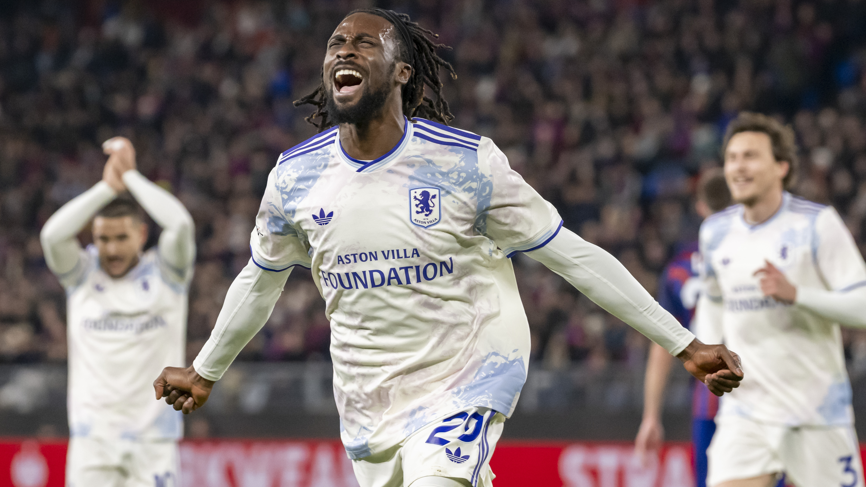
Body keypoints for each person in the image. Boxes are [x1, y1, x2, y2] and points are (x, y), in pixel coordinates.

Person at [153, 9, 743, 487]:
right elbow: (261, 280)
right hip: (367, 398)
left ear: (402, 72)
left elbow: (571, 255)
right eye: (336, 43)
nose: (345, 50)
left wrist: (683, 343)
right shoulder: (294, 179)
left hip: (468, 376)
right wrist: (205, 370)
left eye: (364, 42)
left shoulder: (466, 165)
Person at [698, 112, 866, 487]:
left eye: (750, 156)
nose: (738, 166)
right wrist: (707, 350)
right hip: (745, 413)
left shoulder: (817, 223)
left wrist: (797, 295)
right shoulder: (714, 232)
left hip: (815, 415)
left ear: (781, 167)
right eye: (732, 158)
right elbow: (712, 299)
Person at [40, 137, 195, 486]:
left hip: (154, 441)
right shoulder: (81, 276)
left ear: (141, 234)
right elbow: (51, 236)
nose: (110, 249)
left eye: (120, 238)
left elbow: (181, 225)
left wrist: (131, 177)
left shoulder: (168, 275)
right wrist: (107, 187)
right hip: (92, 440)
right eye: (102, 239)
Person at [634, 169, 735, 487]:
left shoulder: (680, 269)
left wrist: (651, 415)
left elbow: (662, 344)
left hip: (710, 398)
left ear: (700, 206)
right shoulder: (762, 254)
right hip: (764, 393)